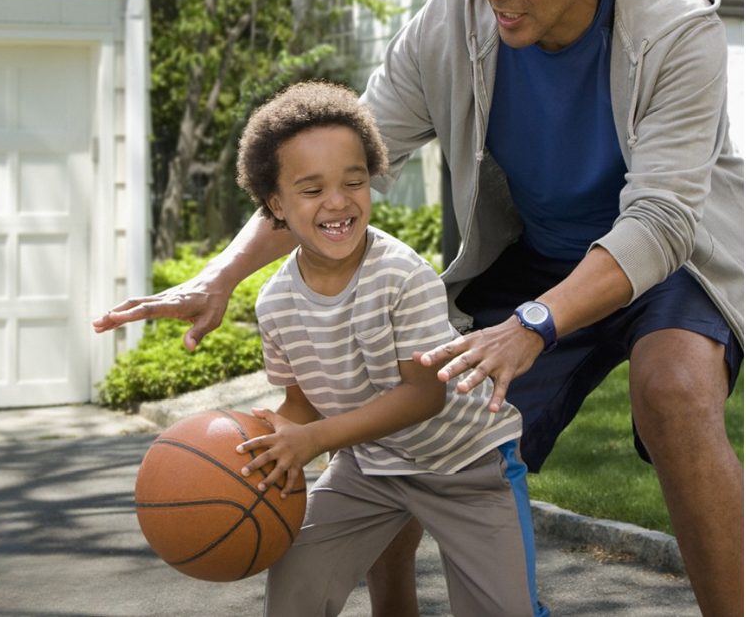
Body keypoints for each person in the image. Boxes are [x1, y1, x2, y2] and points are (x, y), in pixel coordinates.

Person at [95, 0, 743, 617]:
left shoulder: (676, 26)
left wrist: (535, 324)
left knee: (672, 391)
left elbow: (661, 220)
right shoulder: (457, 17)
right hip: (537, 254)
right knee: (412, 430)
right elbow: (341, 160)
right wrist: (223, 276)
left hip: (670, 259)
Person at [233, 81, 545, 616]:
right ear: (275, 204)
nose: (338, 202)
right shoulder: (276, 302)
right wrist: (273, 436)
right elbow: (302, 403)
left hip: (466, 465)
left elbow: (424, 397)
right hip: (370, 469)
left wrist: (314, 438)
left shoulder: (403, 275)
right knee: (295, 589)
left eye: (353, 182)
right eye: (311, 190)